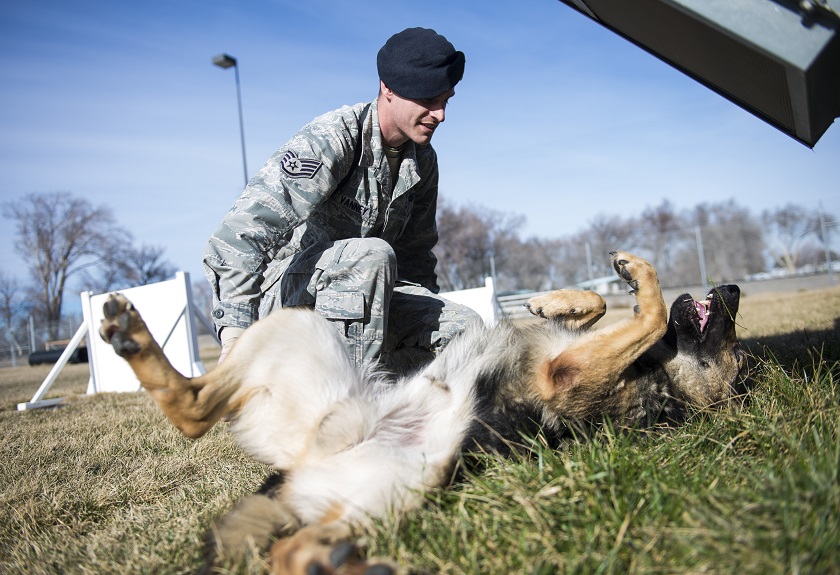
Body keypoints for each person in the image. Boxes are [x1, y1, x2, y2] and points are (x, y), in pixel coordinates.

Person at [203, 27, 480, 370]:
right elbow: (239, 236)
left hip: (365, 300)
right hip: (290, 302)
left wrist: (421, 320)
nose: (440, 115)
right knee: (371, 255)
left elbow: (415, 257)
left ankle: (397, 403)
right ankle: (336, 406)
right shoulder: (334, 137)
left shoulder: (423, 161)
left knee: (465, 330)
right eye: (428, 100)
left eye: (445, 100)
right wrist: (235, 336)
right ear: (388, 88)